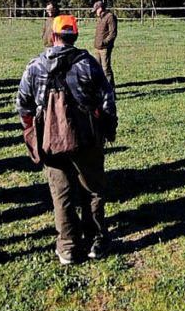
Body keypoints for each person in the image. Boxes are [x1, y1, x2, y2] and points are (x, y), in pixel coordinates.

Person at [16, 15, 117, 265]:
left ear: (53, 36)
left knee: (61, 194)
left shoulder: (35, 65)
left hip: (50, 141)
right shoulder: (88, 63)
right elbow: (107, 100)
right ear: (75, 36)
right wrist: (108, 128)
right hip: (86, 138)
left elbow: (23, 105)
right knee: (92, 190)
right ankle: (95, 241)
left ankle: (68, 247)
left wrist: (32, 131)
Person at [92, 1, 118, 87]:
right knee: (98, 69)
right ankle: (101, 87)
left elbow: (113, 33)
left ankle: (110, 88)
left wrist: (104, 42)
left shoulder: (110, 17)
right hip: (97, 47)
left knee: (106, 69)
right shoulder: (100, 18)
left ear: (100, 9)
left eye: (96, 10)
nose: (95, 12)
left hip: (105, 48)